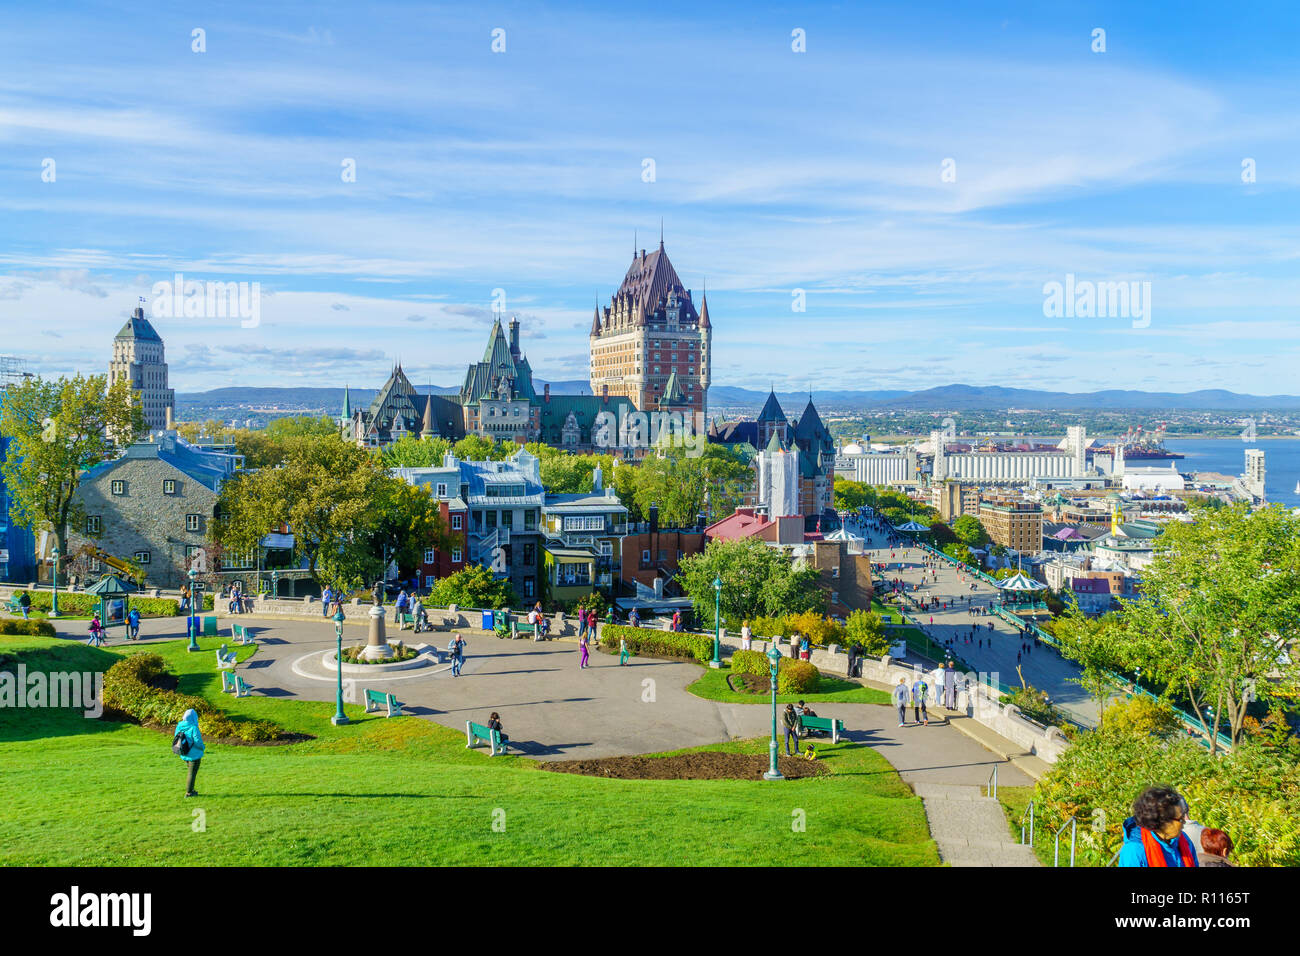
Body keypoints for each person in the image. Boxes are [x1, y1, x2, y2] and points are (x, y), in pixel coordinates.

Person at [1118, 786, 1200, 867]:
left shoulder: (1184, 841)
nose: (1184, 822)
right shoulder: (1135, 851)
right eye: (1180, 819)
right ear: (1163, 821)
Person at [174, 708, 205, 798]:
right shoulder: (193, 727)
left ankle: (191, 790)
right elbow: (197, 741)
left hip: (184, 752)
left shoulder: (180, 725)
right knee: (191, 773)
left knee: (190, 772)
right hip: (194, 755)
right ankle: (189, 792)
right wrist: (203, 747)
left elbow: (176, 736)